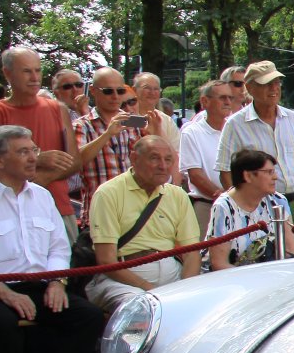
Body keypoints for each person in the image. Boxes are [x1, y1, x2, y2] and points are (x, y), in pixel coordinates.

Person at [0, 125, 103, 353]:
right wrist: (5, 293)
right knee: (2, 324)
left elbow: (58, 247)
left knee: (87, 316)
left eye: (33, 150)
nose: (33, 157)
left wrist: (56, 282)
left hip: (40, 283)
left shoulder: (41, 196)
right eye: (23, 151)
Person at [85, 136, 201, 312]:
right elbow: (106, 260)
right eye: (154, 158)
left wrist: (185, 289)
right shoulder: (108, 193)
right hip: (124, 281)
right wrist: (152, 291)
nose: (163, 166)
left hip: (173, 277)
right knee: (143, 307)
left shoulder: (177, 195)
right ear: (134, 159)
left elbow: (192, 253)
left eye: (168, 159)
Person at [0, 47, 81, 238]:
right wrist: (37, 159)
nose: (35, 77)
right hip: (7, 212)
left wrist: (44, 179)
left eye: (38, 70)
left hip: (58, 208)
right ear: (7, 73)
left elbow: (75, 162)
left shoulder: (58, 109)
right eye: (26, 71)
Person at [215, 61, 294, 235]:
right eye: (266, 84)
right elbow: (225, 172)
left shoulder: (293, 119)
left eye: (277, 82)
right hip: (258, 207)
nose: (274, 88)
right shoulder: (235, 124)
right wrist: (242, 209)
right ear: (250, 88)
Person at [72, 69, 155, 225]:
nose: (116, 96)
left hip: (135, 214)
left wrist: (155, 133)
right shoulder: (81, 125)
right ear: (93, 91)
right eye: (108, 91)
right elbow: (77, 161)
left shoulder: (135, 122)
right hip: (100, 214)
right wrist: (107, 134)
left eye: (120, 91)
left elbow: (152, 164)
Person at [207, 149, 294, 271]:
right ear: (248, 176)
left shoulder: (278, 201)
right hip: (235, 278)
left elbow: (293, 253)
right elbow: (219, 263)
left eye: (274, 171)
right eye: (269, 172)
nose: (275, 177)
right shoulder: (223, 207)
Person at [180, 79, 238, 235]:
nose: (228, 102)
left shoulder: (236, 128)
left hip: (240, 205)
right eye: (222, 98)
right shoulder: (191, 133)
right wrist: (226, 198)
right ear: (205, 101)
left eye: (230, 97)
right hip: (207, 206)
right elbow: (196, 176)